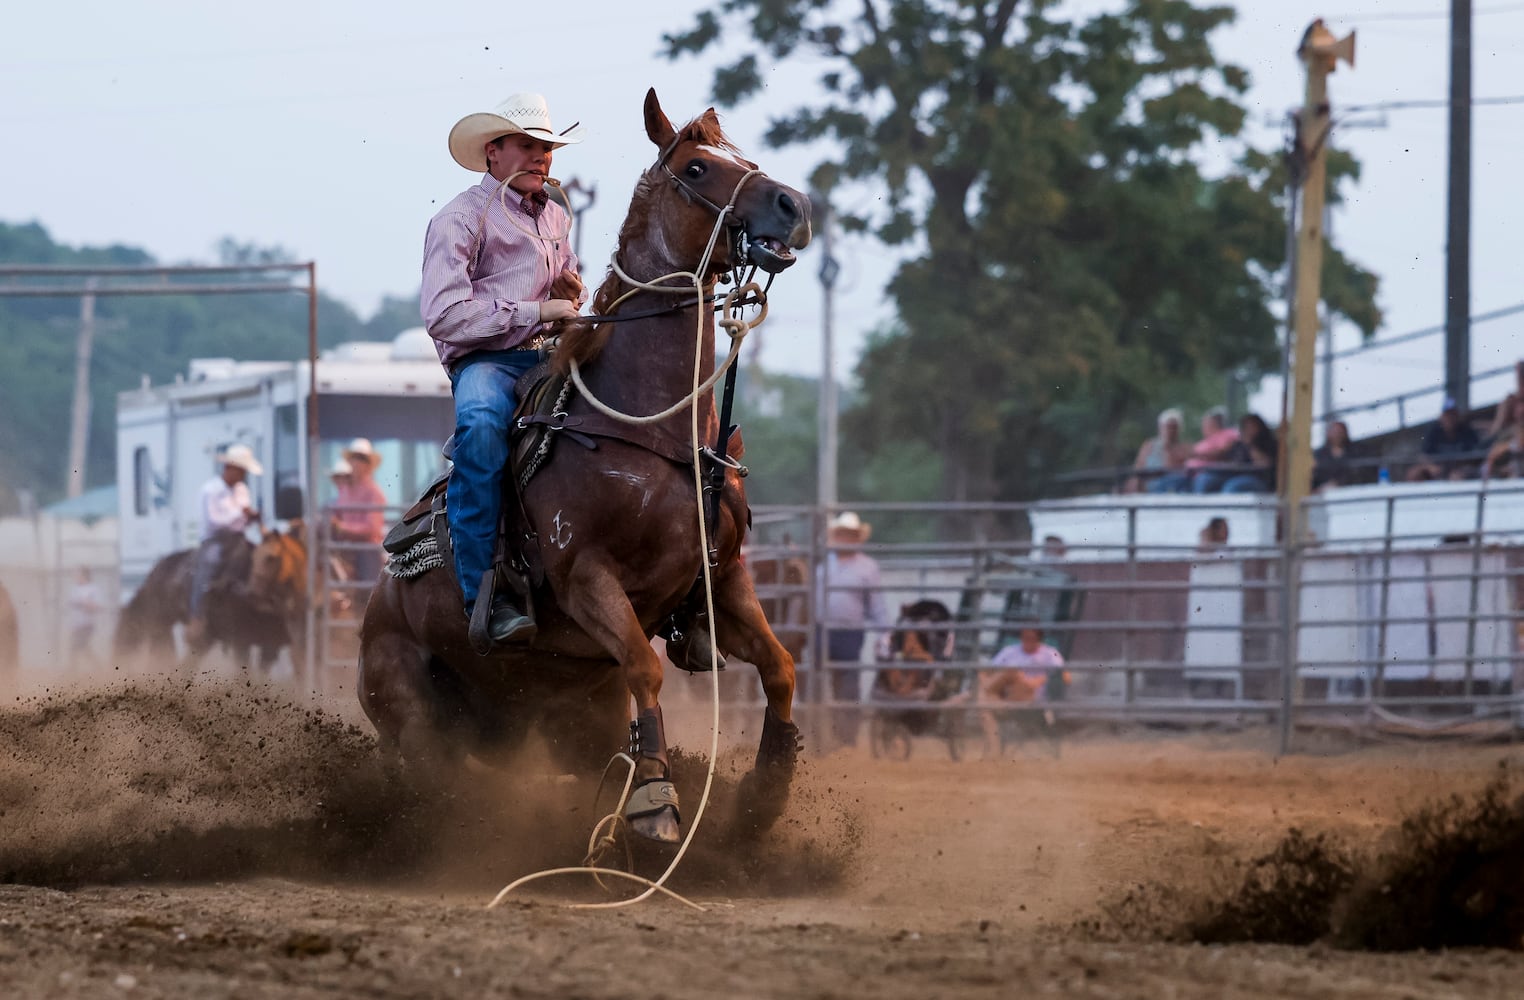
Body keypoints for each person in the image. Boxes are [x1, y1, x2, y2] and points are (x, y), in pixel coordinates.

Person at [421, 91, 587, 645]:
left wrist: (568, 291)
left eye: (547, 149)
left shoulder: (557, 218)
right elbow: (445, 315)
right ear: (493, 152)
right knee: (482, 431)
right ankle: (484, 596)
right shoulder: (459, 219)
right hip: (487, 364)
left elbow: (566, 287)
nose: (541, 157)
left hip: (550, 355)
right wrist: (538, 310)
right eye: (528, 146)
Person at [818, 511, 889, 750]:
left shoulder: (868, 567)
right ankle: (818, 734)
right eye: (841, 534)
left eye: (849, 534)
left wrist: (884, 633)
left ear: (857, 538)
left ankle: (846, 738)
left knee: (847, 685)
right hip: (821, 629)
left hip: (849, 632)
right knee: (816, 682)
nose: (845, 538)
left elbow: (876, 604)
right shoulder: (824, 563)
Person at [188, 444, 262, 637]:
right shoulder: (210, 490)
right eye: (241, 471)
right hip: (216, 539)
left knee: (262, 559)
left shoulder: (242, 489)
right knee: (208, 565)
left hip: (238, 537)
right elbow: (213, 521)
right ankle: (197, 615)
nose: (243, 475)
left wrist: (252, 517)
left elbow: (243, 516)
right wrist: (241, 512)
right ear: (230, 468)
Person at [976, 625, 1067, 760]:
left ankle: (977, 698)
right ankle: (994, 750)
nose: (1027, 642)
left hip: (1031, 698)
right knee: (986, 701)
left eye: (1031, 638)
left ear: (1039, 639)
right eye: (1024, 638)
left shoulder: (1050, 653)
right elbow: (987, 671)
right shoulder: (1009, 651)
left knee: (1010, 673)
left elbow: (1064, 675)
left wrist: (1040, 680)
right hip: (1005, 696)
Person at [331, 438, 388, 587]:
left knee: (367, 585)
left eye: (361, 458)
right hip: (342, 546)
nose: (356, 462)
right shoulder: (345, 490)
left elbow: (372, 528)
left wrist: (342, 527)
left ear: (368, 465)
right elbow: (336, 514)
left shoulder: (374, 492)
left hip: (365, 549)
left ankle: (366, 602)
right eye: (354, 457)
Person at [1149, 408, 1237, 493]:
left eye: (1206, 423)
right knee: (1167, 482)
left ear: (1214, 423)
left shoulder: (1228, 435)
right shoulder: (1204, 441)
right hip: (1188, 474)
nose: (1203, 427)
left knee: (1201, 481)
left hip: (1210, 474)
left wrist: (1193, 455)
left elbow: (1222, 453)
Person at [1196, 412, 1276, 494]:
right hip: (1234, 475)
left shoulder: (1269, 443)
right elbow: (1227, 458)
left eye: (1251, 426)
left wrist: (1251, 445)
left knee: (1232, 487)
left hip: (1258, 478)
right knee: (1204, 480)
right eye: (1246, 427)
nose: (1249, 429)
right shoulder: (1238, 444)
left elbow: (1265, 465)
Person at [1407, 397, 1481, 482]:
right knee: (1414, 473)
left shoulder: (1467, 431)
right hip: (1438, 469)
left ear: (1457, 415)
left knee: (1457, 477)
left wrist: (1461, 468)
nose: (1450, 418)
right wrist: (1431, 467)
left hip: (1461, 470)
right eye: (1447, 414)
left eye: (1452, 414)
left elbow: (1475, 456)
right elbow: (1423, 455)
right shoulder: (1434, 430)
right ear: (1442, 416)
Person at [1126, 407, 1190, 493]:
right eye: (1167, 426)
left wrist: (1168, 450)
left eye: (1173, 427)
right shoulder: (1149, 446)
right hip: (1148, 487)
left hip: (1171, 487)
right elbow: (1138, 467)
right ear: (1160, 427)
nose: (1170, 430)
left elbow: (1175, 470)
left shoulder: (1185, 448)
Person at [66, 566, 102, 670]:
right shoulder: (75, 589)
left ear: (84, 575)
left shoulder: (93, 589)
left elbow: (99, 606)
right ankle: (98, 667)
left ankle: (72, 670)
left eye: (78, 574)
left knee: (77, 646)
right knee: (80, 647)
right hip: (76, 624)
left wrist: (87, 604)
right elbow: (71, 604)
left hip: (87, 624)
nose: (76, 577)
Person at [1481, 394, 1524, 479]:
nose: (1521, 412)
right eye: (1520, 412)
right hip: (1512, 475)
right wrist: (1511, 445)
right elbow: (1492, 454)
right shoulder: (1509, 431)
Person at [1312, 419, 1361, 490]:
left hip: (1348, 491)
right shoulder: (1319, 454)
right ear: (1328, 433)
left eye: (1340, 432)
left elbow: (1356, 472)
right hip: (1322, 495)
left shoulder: (1355, 451)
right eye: (1334, 432)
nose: (1337, 435)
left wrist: (1338, 483)